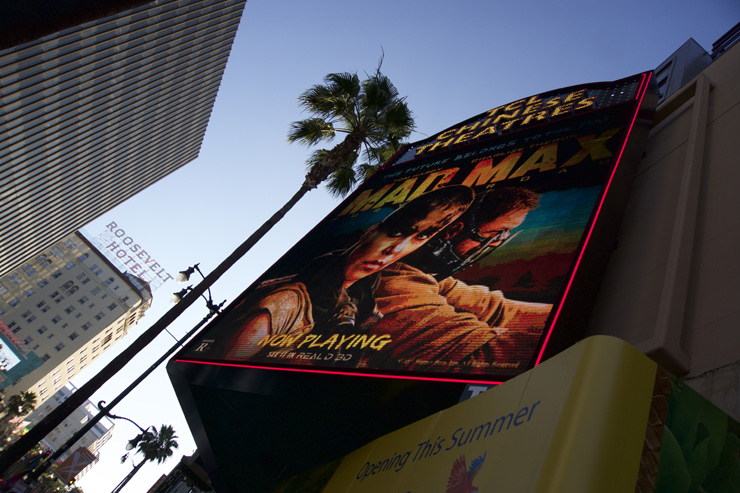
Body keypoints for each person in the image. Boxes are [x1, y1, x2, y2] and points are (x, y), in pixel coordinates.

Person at [210, 185, 476, 361]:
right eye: (397, 231)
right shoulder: (288, 302)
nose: (394, 250)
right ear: (371, 231)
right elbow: (225, 365)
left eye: (420, 238)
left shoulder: (363, 297)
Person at [361, 187, 552, 372]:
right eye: (496, 233)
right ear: (453, 231)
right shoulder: (386, 277)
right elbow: (470, 353)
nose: (498, 242)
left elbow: (493, 308)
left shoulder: (418, 270)